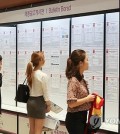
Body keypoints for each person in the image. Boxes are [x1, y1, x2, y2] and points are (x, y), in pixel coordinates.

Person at [65, 49, 95, 134]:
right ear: (81, 63)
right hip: (74, 120)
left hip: (81, 118)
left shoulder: (81, 80)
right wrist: (87, 99)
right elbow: (71, 103)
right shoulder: (73, 81)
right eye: (87, 60)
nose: (88, 62)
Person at [26, 51, 51, 134]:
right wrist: (49, 105)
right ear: (40, 60)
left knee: (32, 130)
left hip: (30, 102)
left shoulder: (30, 74)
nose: (45, 60)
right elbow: (45, 93)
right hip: (39, 103)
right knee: (38, 131)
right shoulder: (43, 75)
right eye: (44, 58)